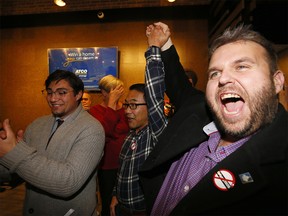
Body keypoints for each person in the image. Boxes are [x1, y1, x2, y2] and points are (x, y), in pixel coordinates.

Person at [139, 22, 287, 216]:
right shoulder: (199, 111)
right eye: (215, 73)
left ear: (277, 82)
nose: (223, 79)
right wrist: (164, 44)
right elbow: (178, 82)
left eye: (241, 66)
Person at [0, 69, 105, 216]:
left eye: (62, 92)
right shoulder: (36, 125)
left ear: (78, 94)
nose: (53, 98)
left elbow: (68, 183)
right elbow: (18, 173)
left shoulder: (92, 129)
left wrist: (14, 153)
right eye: (49, 92)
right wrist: (4, 154)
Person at [110, 42, 168, 216]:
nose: (127, 110)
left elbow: (155, 93)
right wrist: (115, 195)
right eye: (126, 105)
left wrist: (154, 49)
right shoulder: (130, 136)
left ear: (150, 107)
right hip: (122, 209)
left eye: (134, 105)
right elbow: (122, 171)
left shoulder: (155, 135)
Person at [89, 75, 129, 216]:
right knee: (107, 202)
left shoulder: (125, 109)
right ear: (104, 92)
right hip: (107, 165)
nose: (118, 93)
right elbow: (105, 132)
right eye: (114, 90)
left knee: (125, 199)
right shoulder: (94, 112)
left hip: (125, 162)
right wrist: (111, 105)